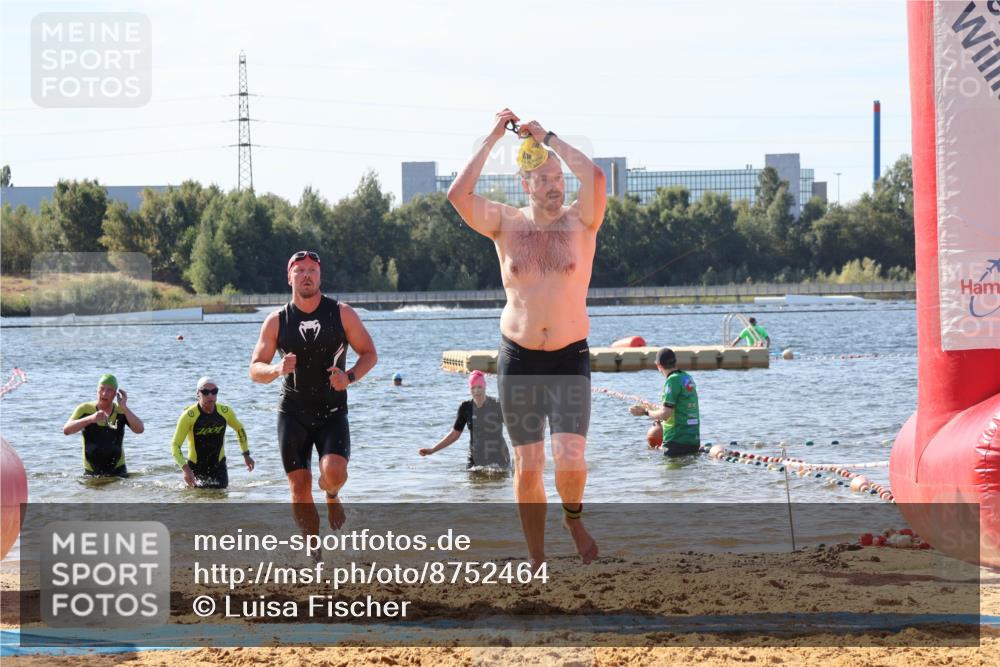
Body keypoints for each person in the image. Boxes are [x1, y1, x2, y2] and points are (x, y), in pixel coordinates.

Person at [447, 108, 607, 569]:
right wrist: (495, 135)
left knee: (571, 459)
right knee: (529, 466)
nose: (556, 185)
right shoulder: (505, 223)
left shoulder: (582, 222)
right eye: (545, 178)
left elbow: (595, 177)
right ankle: (537, 560)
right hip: (518, 358)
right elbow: (459, 195)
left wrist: (551, 138)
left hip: (570, 356)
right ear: (526, 183)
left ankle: (572, 518)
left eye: (559, 177)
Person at [249, 250, 377, 536]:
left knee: (333, 473)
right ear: (289, 276)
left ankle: (332, 496)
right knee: (300, 490)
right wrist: (277, 369)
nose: (307, 275)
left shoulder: (341, 313)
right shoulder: (276, 320)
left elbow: (369, 354)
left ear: (320, 276)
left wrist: (350, 377)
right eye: (300, 270)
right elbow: (255, 369)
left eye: (312, 270)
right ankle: (314, 555)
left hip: (332, 412)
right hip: (293, 414)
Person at [170, 376, 255, 489]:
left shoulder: (225, 412)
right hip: (195, 468)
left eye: (214, 392)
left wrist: (246, 454)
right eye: (205, 392)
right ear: (198, 394)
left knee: (222, 502)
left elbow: (240, 429)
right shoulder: (188, 416)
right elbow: (175, 445)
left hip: (219, 467)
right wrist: (185, 469)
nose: (210, 395)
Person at [419, 370, 511, 470]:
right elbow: (454, 434)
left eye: (479, 387)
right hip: (475, 460)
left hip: (498, 458)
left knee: (497, 484)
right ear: (469, 389)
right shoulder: (465, 407)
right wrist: (432, 450)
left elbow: (513, 428)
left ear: (485, 386)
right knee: (471, 485)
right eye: (473, 388)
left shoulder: (497, 405)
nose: (476, 391)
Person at [63, 374, 144, 477]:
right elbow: (66, 430)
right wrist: (90, 419)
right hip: (91, 472)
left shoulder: (121, 411)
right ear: (97, 390)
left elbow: (140, 429)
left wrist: (124, 407)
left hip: (118, 471)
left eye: (109, 390)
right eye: (101, 389)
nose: (104, 393)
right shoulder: (84, 409)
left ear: (115, 394)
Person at [630, 348, 701, 456]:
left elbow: (665, 414)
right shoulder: (686, 377)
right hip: (693, 441)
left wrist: (645, 412)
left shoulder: (672, 380)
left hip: (676, 442)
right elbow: (677, 408)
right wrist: (654, 409)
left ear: (658, 365)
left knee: (670, 473)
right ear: (675, 362)